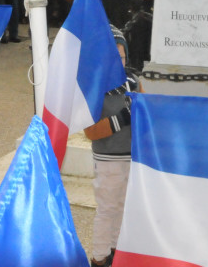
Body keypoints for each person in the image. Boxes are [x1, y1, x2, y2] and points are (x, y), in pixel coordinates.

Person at [83, 27, 140, 267]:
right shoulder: (94, 87)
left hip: (133, 157)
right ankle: (99, 257)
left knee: (125, 207)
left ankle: (116, 251)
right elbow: (91, 131)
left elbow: (146, 110)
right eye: (113, 55)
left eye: (122, 55)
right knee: (107, 209)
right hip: (108, 158)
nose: (119, 60)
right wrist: (125, 118)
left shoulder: (133, 81)